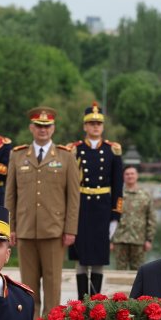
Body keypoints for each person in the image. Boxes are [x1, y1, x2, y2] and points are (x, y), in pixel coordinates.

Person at [5, 106, 80, 316]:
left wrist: (70, 229)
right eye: (38, 126)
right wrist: (10, 227)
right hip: (25, 229)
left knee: (52, 284)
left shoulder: (66, 156)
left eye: (47, 126)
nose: (43, 130)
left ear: (53, 128)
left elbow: (73, 197)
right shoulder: (18, 155)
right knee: (27, 287)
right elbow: (10, 195)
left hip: (54, 230)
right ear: (31, 128)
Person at [67, 102, 123, 298]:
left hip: (102, 208)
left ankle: (95, 300)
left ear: (103, 126)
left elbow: (118, 186)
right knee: (80, 256)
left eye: (98, 123)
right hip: (81, 207)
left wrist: (115, 216)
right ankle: (82, 301)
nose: (95, 127)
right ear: (85, 126)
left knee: (99, 257)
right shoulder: (75, 150)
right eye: (91, 123)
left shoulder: (112, 150)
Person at [111, 165, 155, 271]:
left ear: (137, 175)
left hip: (139, 240)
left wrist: (149, 239)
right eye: (127, 174)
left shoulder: (145, 195)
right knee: (120, 272)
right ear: (123, 176)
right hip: (119, 239)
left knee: (138, 272)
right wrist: (110, 240)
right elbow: (110, 218)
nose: (130, 176)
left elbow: (151, 218)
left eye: (132, 174)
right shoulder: (117, 195)